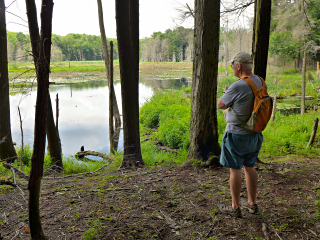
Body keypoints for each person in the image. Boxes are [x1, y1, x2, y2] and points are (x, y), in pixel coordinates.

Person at [217, 52, 264, 218]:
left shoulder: (238, 85)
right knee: (250, 167)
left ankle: (235, 207)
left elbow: (220, 104)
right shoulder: (260, 81)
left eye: (232, 66)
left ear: (239, 66)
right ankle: (252, 204)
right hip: (255, 134)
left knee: (235, 169)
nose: (232, 69)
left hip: (236, 136)